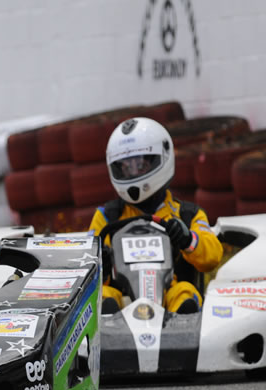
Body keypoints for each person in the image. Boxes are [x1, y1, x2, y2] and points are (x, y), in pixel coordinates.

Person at [88, 117, 223, 314]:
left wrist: (187, 240)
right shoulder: (107, 217)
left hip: (170, 296)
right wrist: (103, 266)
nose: (133, 172)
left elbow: (212, 257)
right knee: (101, 297)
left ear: (162, 159)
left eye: (140, 165)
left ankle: (183, 337)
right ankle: (109, 337)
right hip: (122, 302)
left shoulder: (186, 214)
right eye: (126, 167)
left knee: (185, 293)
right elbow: (85, 270)